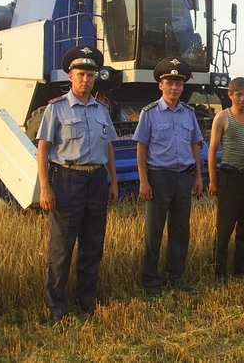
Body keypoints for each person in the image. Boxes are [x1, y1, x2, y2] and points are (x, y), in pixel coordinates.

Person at [37, 45, 119, 323]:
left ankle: (86, 300)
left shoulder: (102, 109)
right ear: (70, 76)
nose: (86, 79)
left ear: (96, 77)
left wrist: (113, 182)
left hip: (96, 180)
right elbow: (43, 149)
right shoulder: (56, 109)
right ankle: (57, 307)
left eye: (91, 75)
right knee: (61, 248)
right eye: (81, 74)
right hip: (67, 180)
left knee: (93, 245)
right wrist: (45, 188)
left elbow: (107, 146)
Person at [132, 57, 203, 297]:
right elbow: (141, 147)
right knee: (154, 232)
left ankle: (176, 277)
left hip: (184, 177)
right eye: (169, 83)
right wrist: (143, 180)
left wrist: (198, 176)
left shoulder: (188, 113)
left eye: (178, 83)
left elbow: (195, 144)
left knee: (180, 231)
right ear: (160, 85)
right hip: (158, 177)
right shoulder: (149, 113)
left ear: (183, 87)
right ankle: (151, 282)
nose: (174, 87)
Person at [208, 77, 244, 282]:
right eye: (239, 95)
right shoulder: (222, 117)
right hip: (229, 177)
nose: (242, 99)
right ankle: (220, 271)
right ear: (230, 95)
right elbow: (213, 150)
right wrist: (213, 180)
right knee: (225, 227)